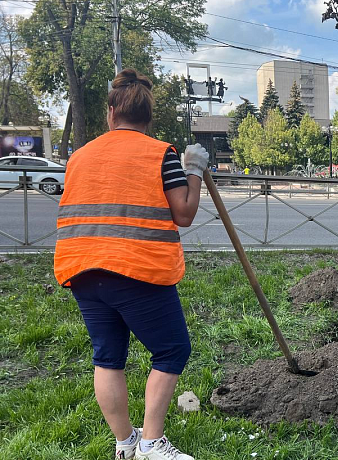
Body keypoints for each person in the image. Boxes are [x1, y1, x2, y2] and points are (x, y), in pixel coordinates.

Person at [54, 68, 208, 460]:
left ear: (111, 112)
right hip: (137, 269)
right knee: (172, 350)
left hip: (82, 269)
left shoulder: (79, 157)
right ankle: (152, 444)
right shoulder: (160, 154)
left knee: (107, 356)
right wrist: (193, 170)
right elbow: (185, 213)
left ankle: (125, 443)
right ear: (148, 118)